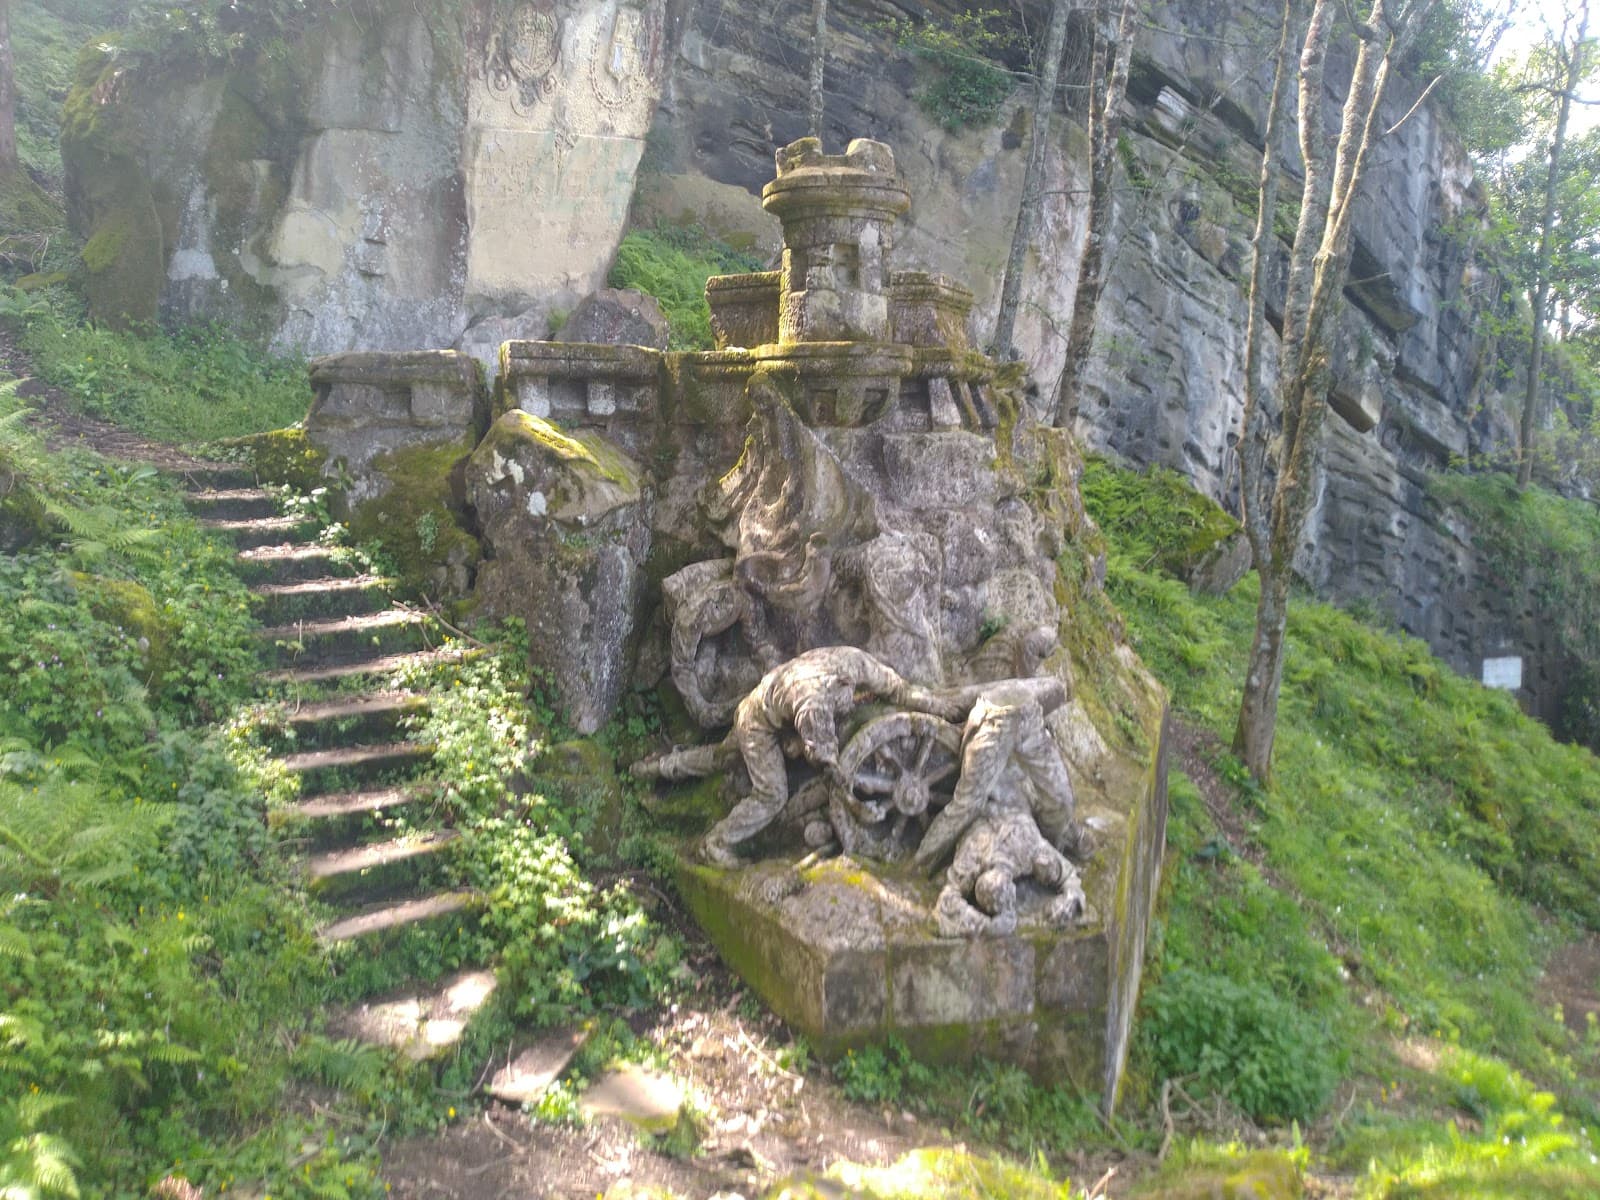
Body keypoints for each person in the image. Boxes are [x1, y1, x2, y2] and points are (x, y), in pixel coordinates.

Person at [701, 646, 965, 867]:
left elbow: (897, 688)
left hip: (775, 700)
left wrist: (937, 706)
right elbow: (831, 768)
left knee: (720, 757)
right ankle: (716, 843)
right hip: (758, 724)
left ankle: (675, 766)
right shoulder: (813, 706)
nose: (849, 701)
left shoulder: (853, 661)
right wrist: (856, 804)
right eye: (843, 700)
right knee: (771, 794)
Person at [912, 675, 1087, 875]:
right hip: (993, 723)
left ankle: (1049, 848)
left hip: (1029, 718)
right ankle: (920, 864)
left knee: (1062, 800)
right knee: (966, 806)